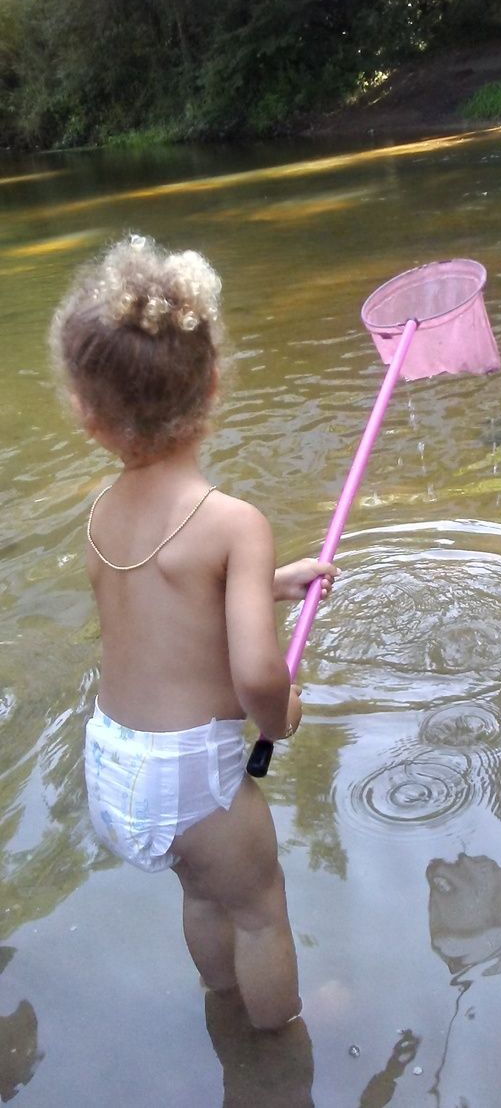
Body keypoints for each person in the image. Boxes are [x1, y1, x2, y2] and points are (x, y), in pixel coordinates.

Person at [51, 234, 337, 1031]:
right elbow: (254, 674)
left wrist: (264, 588)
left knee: (203, 891)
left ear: (87, 414)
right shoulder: (233, 525)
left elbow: (158, 612)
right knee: (259, 910)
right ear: (214, 383)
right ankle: (277, 1050)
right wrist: (284, 718)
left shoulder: (102, 510)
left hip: (113, 763)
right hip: (193, 779)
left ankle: (223, 1004)